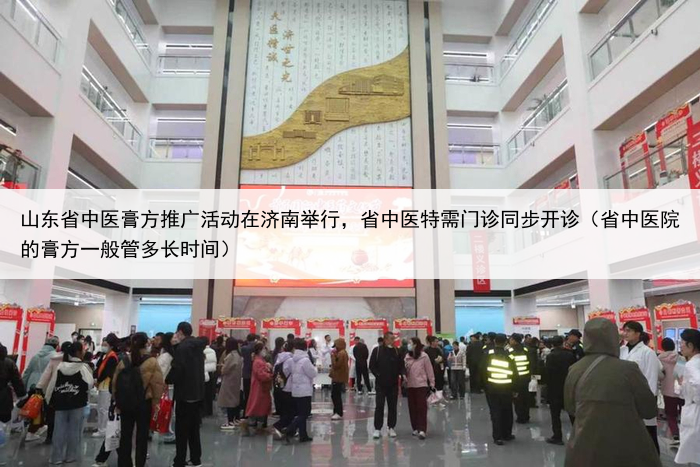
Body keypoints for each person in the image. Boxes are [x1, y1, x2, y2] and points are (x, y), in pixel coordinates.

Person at [563, 318, 660, 467]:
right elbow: (649, 410)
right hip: (627, 447)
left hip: (585, 447)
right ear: (613, 338)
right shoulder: (629, 369)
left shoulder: (575, 369)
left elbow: (570, 408)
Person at [112, 332, 164, 467]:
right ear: (146, 344)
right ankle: (140, 463)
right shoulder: (152, 362)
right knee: (142, 436)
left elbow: (115, 382)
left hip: (126, 402)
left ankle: (124, 463)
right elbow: (157, 384)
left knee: (125, 435)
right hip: (143, 403)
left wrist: (117, 401)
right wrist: (156, 402)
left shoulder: (124, 361)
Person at [45, 341, 93, 465]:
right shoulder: (82, 367)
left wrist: (48, 399)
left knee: (59, 430)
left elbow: (53, 384)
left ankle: (56, 457)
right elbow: (90, 384)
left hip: (60, 403)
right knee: (74, 431)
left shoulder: (61, 366)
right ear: (78, 352)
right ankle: (71, 456)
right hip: (78, 403)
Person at [619, 321, 662, 453]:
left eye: (629, 331)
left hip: (642, 398)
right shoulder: (621, 351)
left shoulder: (647, 353)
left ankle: (654, 458)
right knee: (630, 432)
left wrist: (648, 400)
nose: (625, 333)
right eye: (624, 330)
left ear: (638, 333)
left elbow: (651, 378)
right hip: (625, 398)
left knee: (648, 433)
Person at [167, 322, 205, 467]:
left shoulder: (182, 348)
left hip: (184, 394)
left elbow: (178, 369)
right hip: (198, 393)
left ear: (180, 332)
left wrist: (167, 379)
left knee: (181, 430)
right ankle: (196, 459)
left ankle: (179, 460)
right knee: (194, 429)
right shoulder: (198, 347)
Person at [22, 335, 58, 441]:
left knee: (33, 406)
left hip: (32, 384)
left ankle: (32, 429)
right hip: (45, 385)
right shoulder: (55, 357)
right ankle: (32, 432)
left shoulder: (36, 356)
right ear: (56, 346)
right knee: (41, 410)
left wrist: (23, 386)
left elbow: (27, 372)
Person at [483, 334, 516, 445]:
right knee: (507, 411)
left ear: (494, 341)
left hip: (492, 388)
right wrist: (515, 388)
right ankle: (507, 434)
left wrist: (485, 386)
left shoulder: (488, 354)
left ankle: (497, 437)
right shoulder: (509, 355)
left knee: (495, 412)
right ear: (505, 342)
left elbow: (482, 370)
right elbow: (515, 373)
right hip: (507, 388)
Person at [369, 332, 403, 439]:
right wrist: (378, 375)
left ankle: (391, 427)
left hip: (393, 384)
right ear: (385, 339)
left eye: (394, 338)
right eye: (391, 338)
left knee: (392, 406)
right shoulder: (377, 350)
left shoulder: (397, 351)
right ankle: (377, 428)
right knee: (379, 406)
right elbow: (372, 365)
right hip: (381, 384)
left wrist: (402, 374)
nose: (393, 341)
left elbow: (401, 365)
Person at [544, 335, 576, 445]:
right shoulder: (570, 355)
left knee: (555, 415)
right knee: (572, 413)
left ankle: (557, 436)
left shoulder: (550, 356)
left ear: (552, 344)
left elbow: (548, 373)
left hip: (554, 389)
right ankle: (578, 436)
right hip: (568, 387)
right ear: (562, 342)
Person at [674, 328, 700, 464]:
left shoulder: (690, 365)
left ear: (691, 345)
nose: (680, 346)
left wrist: (695, 398)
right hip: (694, 410)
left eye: (682, 343)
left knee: (692, 452)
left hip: (695, 413)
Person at [285, 338, 317, 443]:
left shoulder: (292, 359)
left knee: (300, 413)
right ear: (305, 347)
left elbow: (287, 371)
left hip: (295, 390)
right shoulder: (305, 360)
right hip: (304, 390)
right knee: (305, 413)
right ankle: (290, 429)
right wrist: (315, 368)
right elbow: (312, 374)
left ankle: (303, 435)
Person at [240, 342, 273, 436]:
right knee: (258, 408)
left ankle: (257, 426)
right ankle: (248, 424)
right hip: (260, 388)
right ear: (259, 350)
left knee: (259, 408)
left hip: (260, 387)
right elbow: (261, 375)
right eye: (264, 349)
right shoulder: (258, 361)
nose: (265, 351)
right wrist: (271, 375)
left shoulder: (259, 360)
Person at [404, 337, 434, 440]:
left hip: (421, 385)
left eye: (410, 343)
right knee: (412, 408)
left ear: (415, 344)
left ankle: (422, 429)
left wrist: (432, 383)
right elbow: (404, 369)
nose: (408, 345)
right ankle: (415, 427)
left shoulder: (424, 356)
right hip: (410, 385)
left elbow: (429, 370)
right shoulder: (407, 356)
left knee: (422, 407)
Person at [92, 334, 119, 438]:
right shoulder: (104, 355)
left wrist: (98, 380)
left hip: (106, 385)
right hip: (101, 385)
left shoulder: (112, 357)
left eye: (105, 344)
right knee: (101, 408)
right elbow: (98, 368)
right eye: (102, 344)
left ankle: (103, 429)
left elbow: (107, 372)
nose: (103, 346)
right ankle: (100, 427)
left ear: (111, 346)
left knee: (104, 409)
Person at [658, 337, 683, 445]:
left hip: (668, 391)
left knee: (671, 415)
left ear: (663, 347)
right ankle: (685, 433)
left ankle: (675, 434)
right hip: (681, 390)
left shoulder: (659, 359)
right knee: (684, 413)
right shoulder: (680, 357)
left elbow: (660, 374)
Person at [218, 338, 243, 430]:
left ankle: (230, 422)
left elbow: (225, 370)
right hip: (236, 381)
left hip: (229, 381)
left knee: (229, 402)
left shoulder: (231, 356)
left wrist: (222, 367)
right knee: (235, 400)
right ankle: (235, 419)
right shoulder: (238, 355)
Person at [271, 342, 295, 437]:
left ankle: (287, 429)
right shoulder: (291, 360)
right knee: (290, 411)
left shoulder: (279, 358)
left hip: (279, 387)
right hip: (288, 388)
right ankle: (279, 426)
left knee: (284, 410)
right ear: (293, 349)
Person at [508, 333, 531, 424]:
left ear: (514, 340)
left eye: (511, 339)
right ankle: (526, 415)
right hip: (525, 377)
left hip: (515, 379)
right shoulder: (526, 349)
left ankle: (520, 417)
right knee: (525, 397)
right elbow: (530, 363)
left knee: (517, 398)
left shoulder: (510, 351)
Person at [330, 338, 349, 420]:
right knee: (335, 395)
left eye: (336, 346)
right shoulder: (343, 352)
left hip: (338, 377)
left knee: (335, 395)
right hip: (338, 377)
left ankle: (338, 412)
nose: (335, 348)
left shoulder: (341, 354)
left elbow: (336, 365)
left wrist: (333, 356)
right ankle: (336, 411)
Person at [240, 334, 257, 413]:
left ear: (247, 339)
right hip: (256, 373)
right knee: (255, 393)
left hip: (246, 373)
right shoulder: (258, 347)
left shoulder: (244, 348)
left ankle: (246, 411)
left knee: (247, 393)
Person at [203, 338, 217, 417]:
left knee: (203, 394)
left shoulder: (202, 351)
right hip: (211, 373)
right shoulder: (212, 351)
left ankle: (203, 411)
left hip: (203, 374)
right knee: (209, 393)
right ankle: (209, 410)